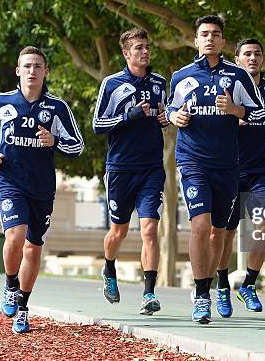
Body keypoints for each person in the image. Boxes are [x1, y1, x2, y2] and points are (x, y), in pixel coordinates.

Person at [167, 15, 265, 324]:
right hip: (192, 161)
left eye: (216, 34)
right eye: (204, 34)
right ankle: (200, 295)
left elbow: (261, 112)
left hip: (227, 165)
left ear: (223, 41)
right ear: (196, 40)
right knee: (200, 225)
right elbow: (171, 108)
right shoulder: (181, 76)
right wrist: (175, 118)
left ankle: (210, 285)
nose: (210, 38)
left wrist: (235, 110)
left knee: (219, 234)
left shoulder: (238, 76)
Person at [0, 46, 83, 334]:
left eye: (38, 66)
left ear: (45, 71)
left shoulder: (57, 108)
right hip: (8, 179)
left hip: (42, 186)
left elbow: (77, 145)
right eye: (27, 66)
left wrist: (54, 142)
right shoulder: (2, 102)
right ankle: (10, 284)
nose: (32, 71)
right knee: (16, 234)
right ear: (18, 71)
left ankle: (23, 307)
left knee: (34, 247)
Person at [92, 28, 168, 315]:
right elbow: (98, 124)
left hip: (151, 168)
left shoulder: (160, 82)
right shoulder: (112, 84)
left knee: (149, 229)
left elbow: (165, 114)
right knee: (119, 231)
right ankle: (109, 269)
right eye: (138, 48)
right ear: (126, 53)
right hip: (120, 169)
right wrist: (128, 116)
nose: (144, 51)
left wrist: (164, 118)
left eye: (147, 47)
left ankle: (149, 293)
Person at [215, 38, 265, 317]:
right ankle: (220, 287)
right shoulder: (226, 87)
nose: (252, 58)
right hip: (230, 169)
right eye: (247, 54)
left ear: (263, 58)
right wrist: (234, 117)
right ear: (237, 58)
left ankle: (249, 284)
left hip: (262, 170)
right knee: (225, 233)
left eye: (257, 53)